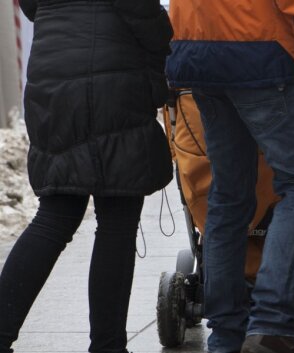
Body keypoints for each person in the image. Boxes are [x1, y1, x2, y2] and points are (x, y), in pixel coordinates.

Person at [166, 1, 294, 352]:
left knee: (228, 196)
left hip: (198, 57)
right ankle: (271, 323)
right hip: (263, 56)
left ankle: (226, 333)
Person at [0, 1, 173, 353]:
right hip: (113, 79)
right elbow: (141, 12)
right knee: (117, 221)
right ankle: (108, 346)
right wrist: (165, 41)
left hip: (52, 75)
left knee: (55, 215)